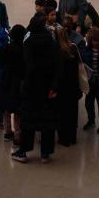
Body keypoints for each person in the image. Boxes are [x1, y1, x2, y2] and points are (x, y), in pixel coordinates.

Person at [14, 15, 62, 163]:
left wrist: (24, 84)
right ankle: (45, 153)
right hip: (48, 87)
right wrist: (54, 86)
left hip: (32, 87)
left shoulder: (29, 42)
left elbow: (26, 65)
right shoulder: (51, 41)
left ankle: (23, 152)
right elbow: (58, 65)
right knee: (47, 120)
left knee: (28, 120)